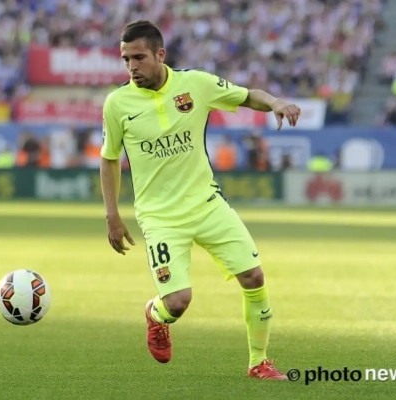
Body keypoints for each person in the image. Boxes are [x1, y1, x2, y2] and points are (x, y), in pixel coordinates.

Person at [99, 20, 301, 380]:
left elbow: (246, 96)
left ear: (160, 55)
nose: (131, 67)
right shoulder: (117, 104)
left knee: (254, 276)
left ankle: (259, 362)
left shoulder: (196, 84)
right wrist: (112, 215)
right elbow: (109, 158)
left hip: (208, 205)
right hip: (160, 217)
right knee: (178, 302)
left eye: (139, 57)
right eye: (126, 59)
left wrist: (275, 102)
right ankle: (155, 315)